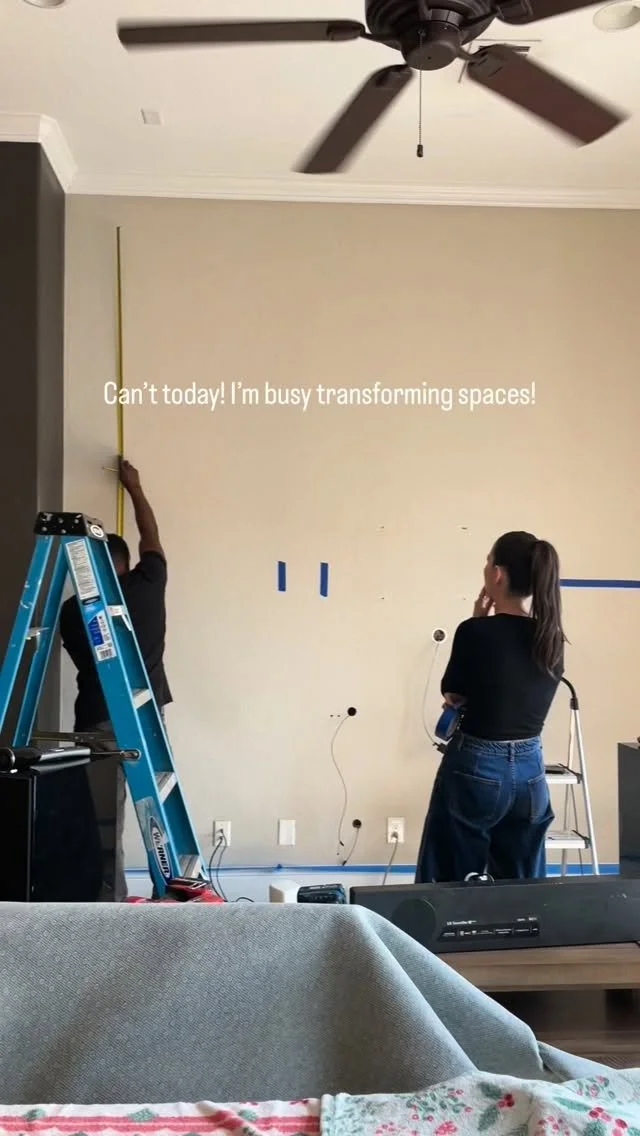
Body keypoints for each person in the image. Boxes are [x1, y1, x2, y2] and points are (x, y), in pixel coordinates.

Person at [415, 531, 565, 884]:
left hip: (476, 765)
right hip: (531, 772)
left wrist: (478, 620)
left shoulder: (474, 631)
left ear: (497, 574)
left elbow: (454, 694)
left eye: (487, 561)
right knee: (521, 884)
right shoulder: (551, 637)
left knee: (450, 878)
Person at [60, 458, 172, 900]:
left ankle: (107, 906)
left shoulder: (72, 612)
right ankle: (169, 891)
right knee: (158, 816)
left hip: (97, 722)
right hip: (146, 718)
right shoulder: (149, 583)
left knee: (104, 827)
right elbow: (152, 538)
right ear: (124, 565)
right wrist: (134, 488)